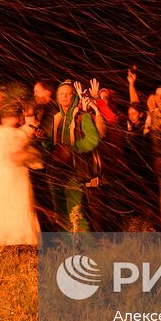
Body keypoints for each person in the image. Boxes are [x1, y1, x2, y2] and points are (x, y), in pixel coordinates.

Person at [41, 80, 104, 234]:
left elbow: (93, 139)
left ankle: (86, 247)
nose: (65, 97)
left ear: (74, 97)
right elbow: (53, 146)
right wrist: (44, 140)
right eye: (61, 94)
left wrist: (72, 149)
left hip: (74, 171)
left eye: (69, 94)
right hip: (56, 172)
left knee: (76, 212)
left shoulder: (82, 117)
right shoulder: (55, 119)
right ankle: (66, 247)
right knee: (60, 214)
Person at [0, 90, 41, 249]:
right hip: (10, 173)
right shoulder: (19, 134)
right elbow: (24, 152)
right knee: (16, 203)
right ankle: (19, 236)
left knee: (5, 204)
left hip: (2, 174)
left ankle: (3, 237)